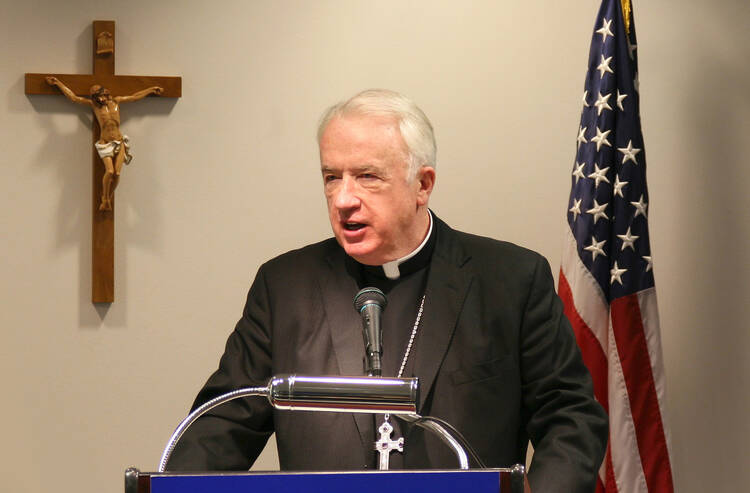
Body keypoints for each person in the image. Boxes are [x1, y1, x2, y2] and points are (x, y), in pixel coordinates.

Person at [167, 89, 608, 493]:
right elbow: (220, 424)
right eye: (331, 177)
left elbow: (569, 418)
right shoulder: (284, 286)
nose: (343, 198)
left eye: (366, 176)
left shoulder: (511, 279)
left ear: (423, 184)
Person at [45, 77, 163, 210]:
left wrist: (151, 90)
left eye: (99, 95)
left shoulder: (116, 102)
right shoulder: (94, 106)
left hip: (119, 141)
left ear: (104, 93)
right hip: (105, 142)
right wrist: (58, 83)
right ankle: (105, 198)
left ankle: (107, 198)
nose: (99, 99)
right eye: (95, 97)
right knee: (110, 171)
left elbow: (134, 97)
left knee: (117, 174)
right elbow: (74, 98)